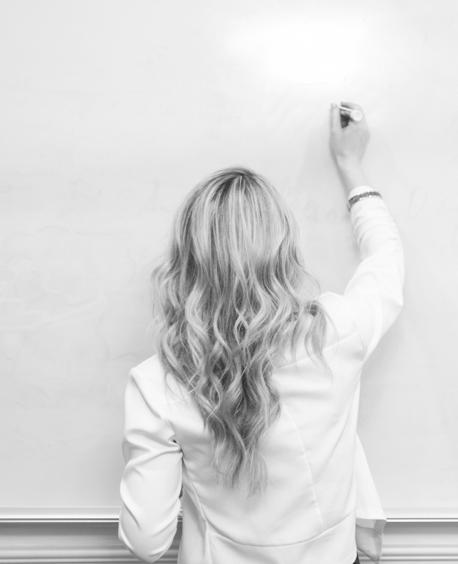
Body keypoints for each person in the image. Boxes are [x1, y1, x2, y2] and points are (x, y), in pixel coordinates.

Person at [117, 101, 405, 564]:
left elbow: (146, 542)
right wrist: (351, 164)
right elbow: (385, 263)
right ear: (284, 250)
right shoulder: (336, 334)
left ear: (187, 261)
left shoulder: (157, 384)